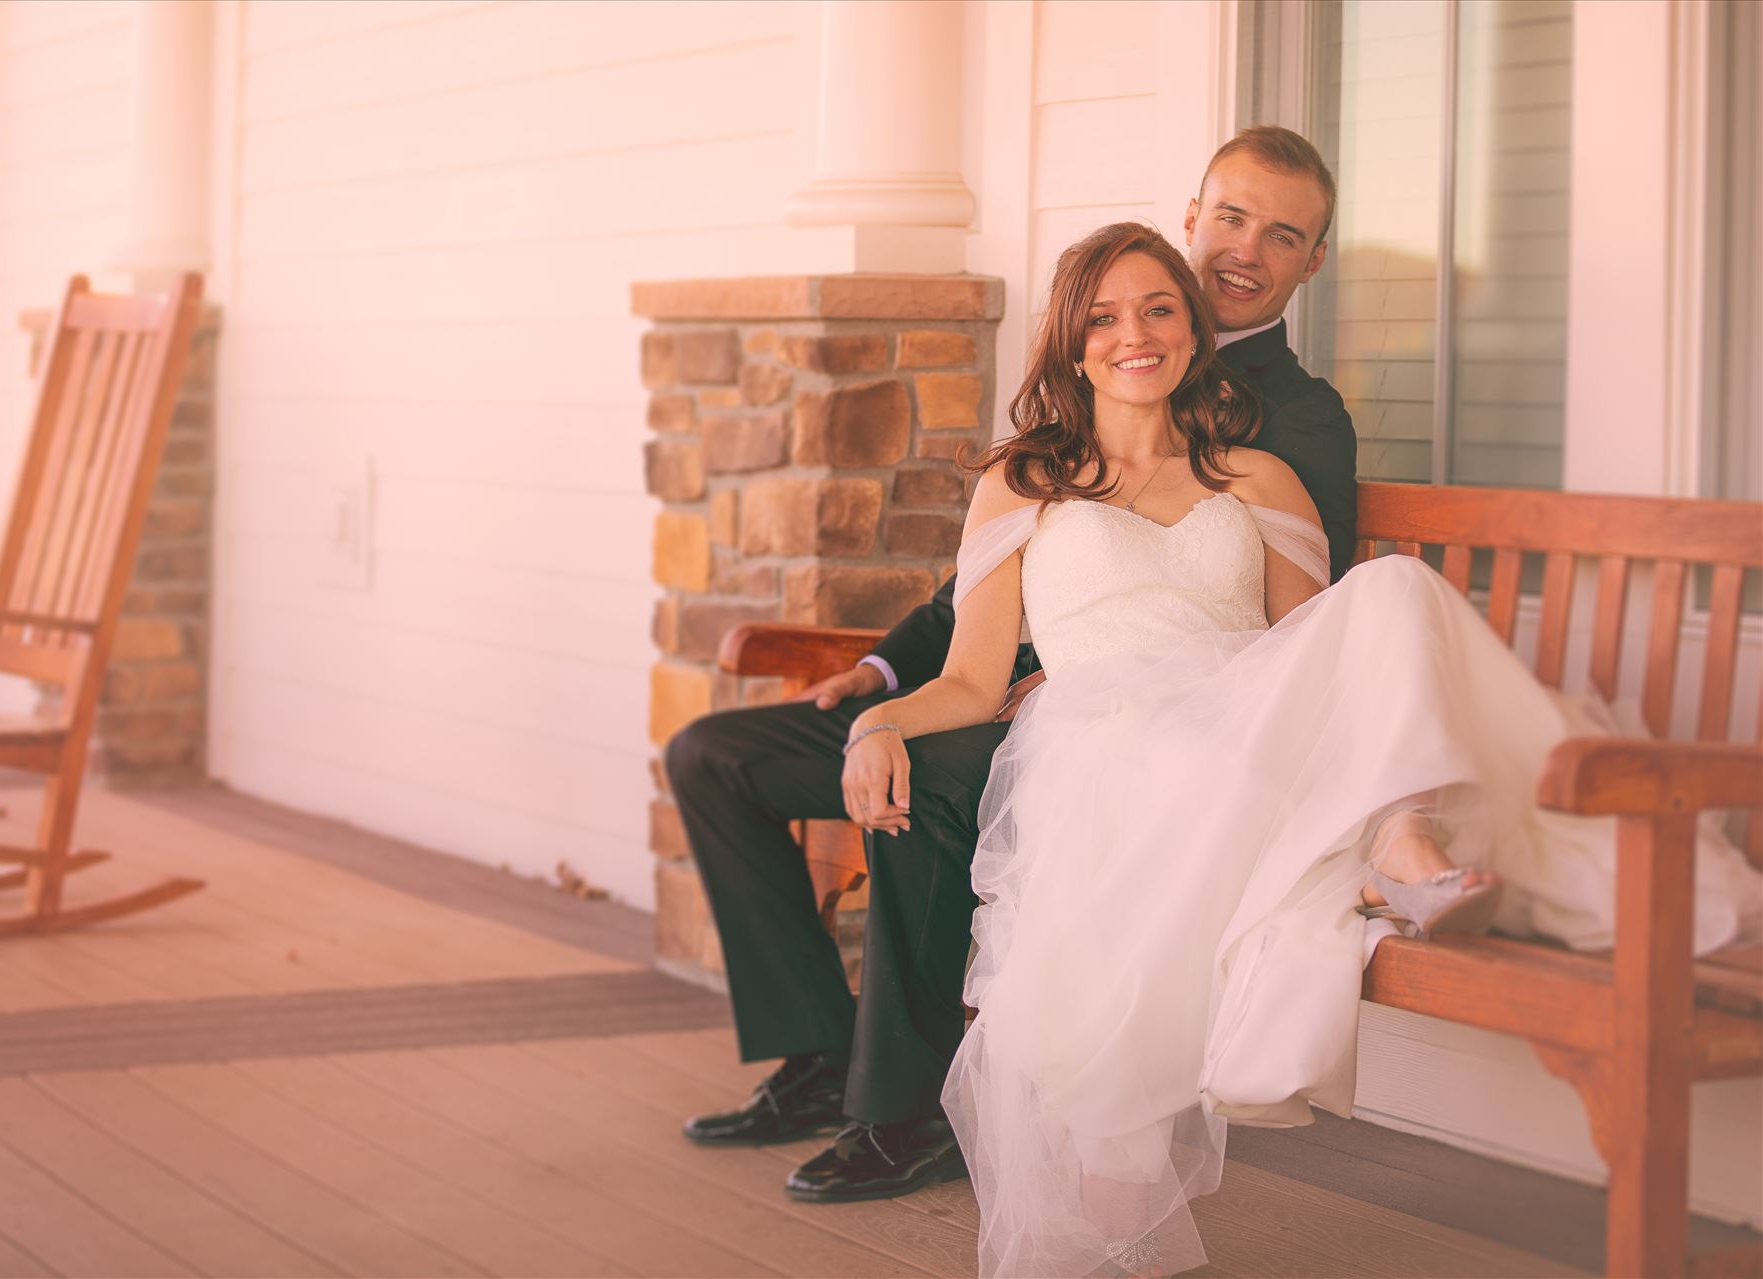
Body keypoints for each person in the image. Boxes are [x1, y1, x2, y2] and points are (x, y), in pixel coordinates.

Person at [837, 221, 1761, 1277]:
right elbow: (968, 677)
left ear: (1193, 330)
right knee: (1153, 825)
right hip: (1103, 745)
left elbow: (1328, 660)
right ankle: (1115, 1232)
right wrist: (875, 721)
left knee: (1394, 590)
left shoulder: (1260, 478)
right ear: (1071, 340)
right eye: (1103, 317)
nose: (1132, 334)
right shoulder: (1023, 483)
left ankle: (1402, 839)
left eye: (1158, 309)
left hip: (1242, 729)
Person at [667, 126, 1358, 1202]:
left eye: (1280, 234)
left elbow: (1299, 622)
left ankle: (900, 1109)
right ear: (1193, 221)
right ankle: (816, 1053)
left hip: (1139, 727)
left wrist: (1109, 674)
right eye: (1230, 217)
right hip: (986, 681)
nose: (1243, 249)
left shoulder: (1288, 423)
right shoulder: (1080, 398)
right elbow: (979, 583)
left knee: (927, 786)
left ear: (1310, 260)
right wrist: (883, 682)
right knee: (719, 753)